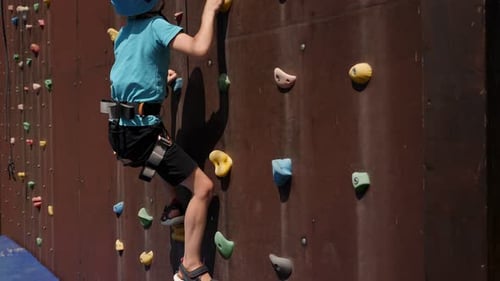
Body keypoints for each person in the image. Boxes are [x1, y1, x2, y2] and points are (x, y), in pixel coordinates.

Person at [106, 0, 223, 280]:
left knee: (159, 147)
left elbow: (133, 73)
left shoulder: (123, 34)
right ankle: (191, 266)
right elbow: (198, 48)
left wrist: (160, 79)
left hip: (119, 130)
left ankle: (173, 203)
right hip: (143, 133)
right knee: (203, 189)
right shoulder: (157, 26)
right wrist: (210, 11)